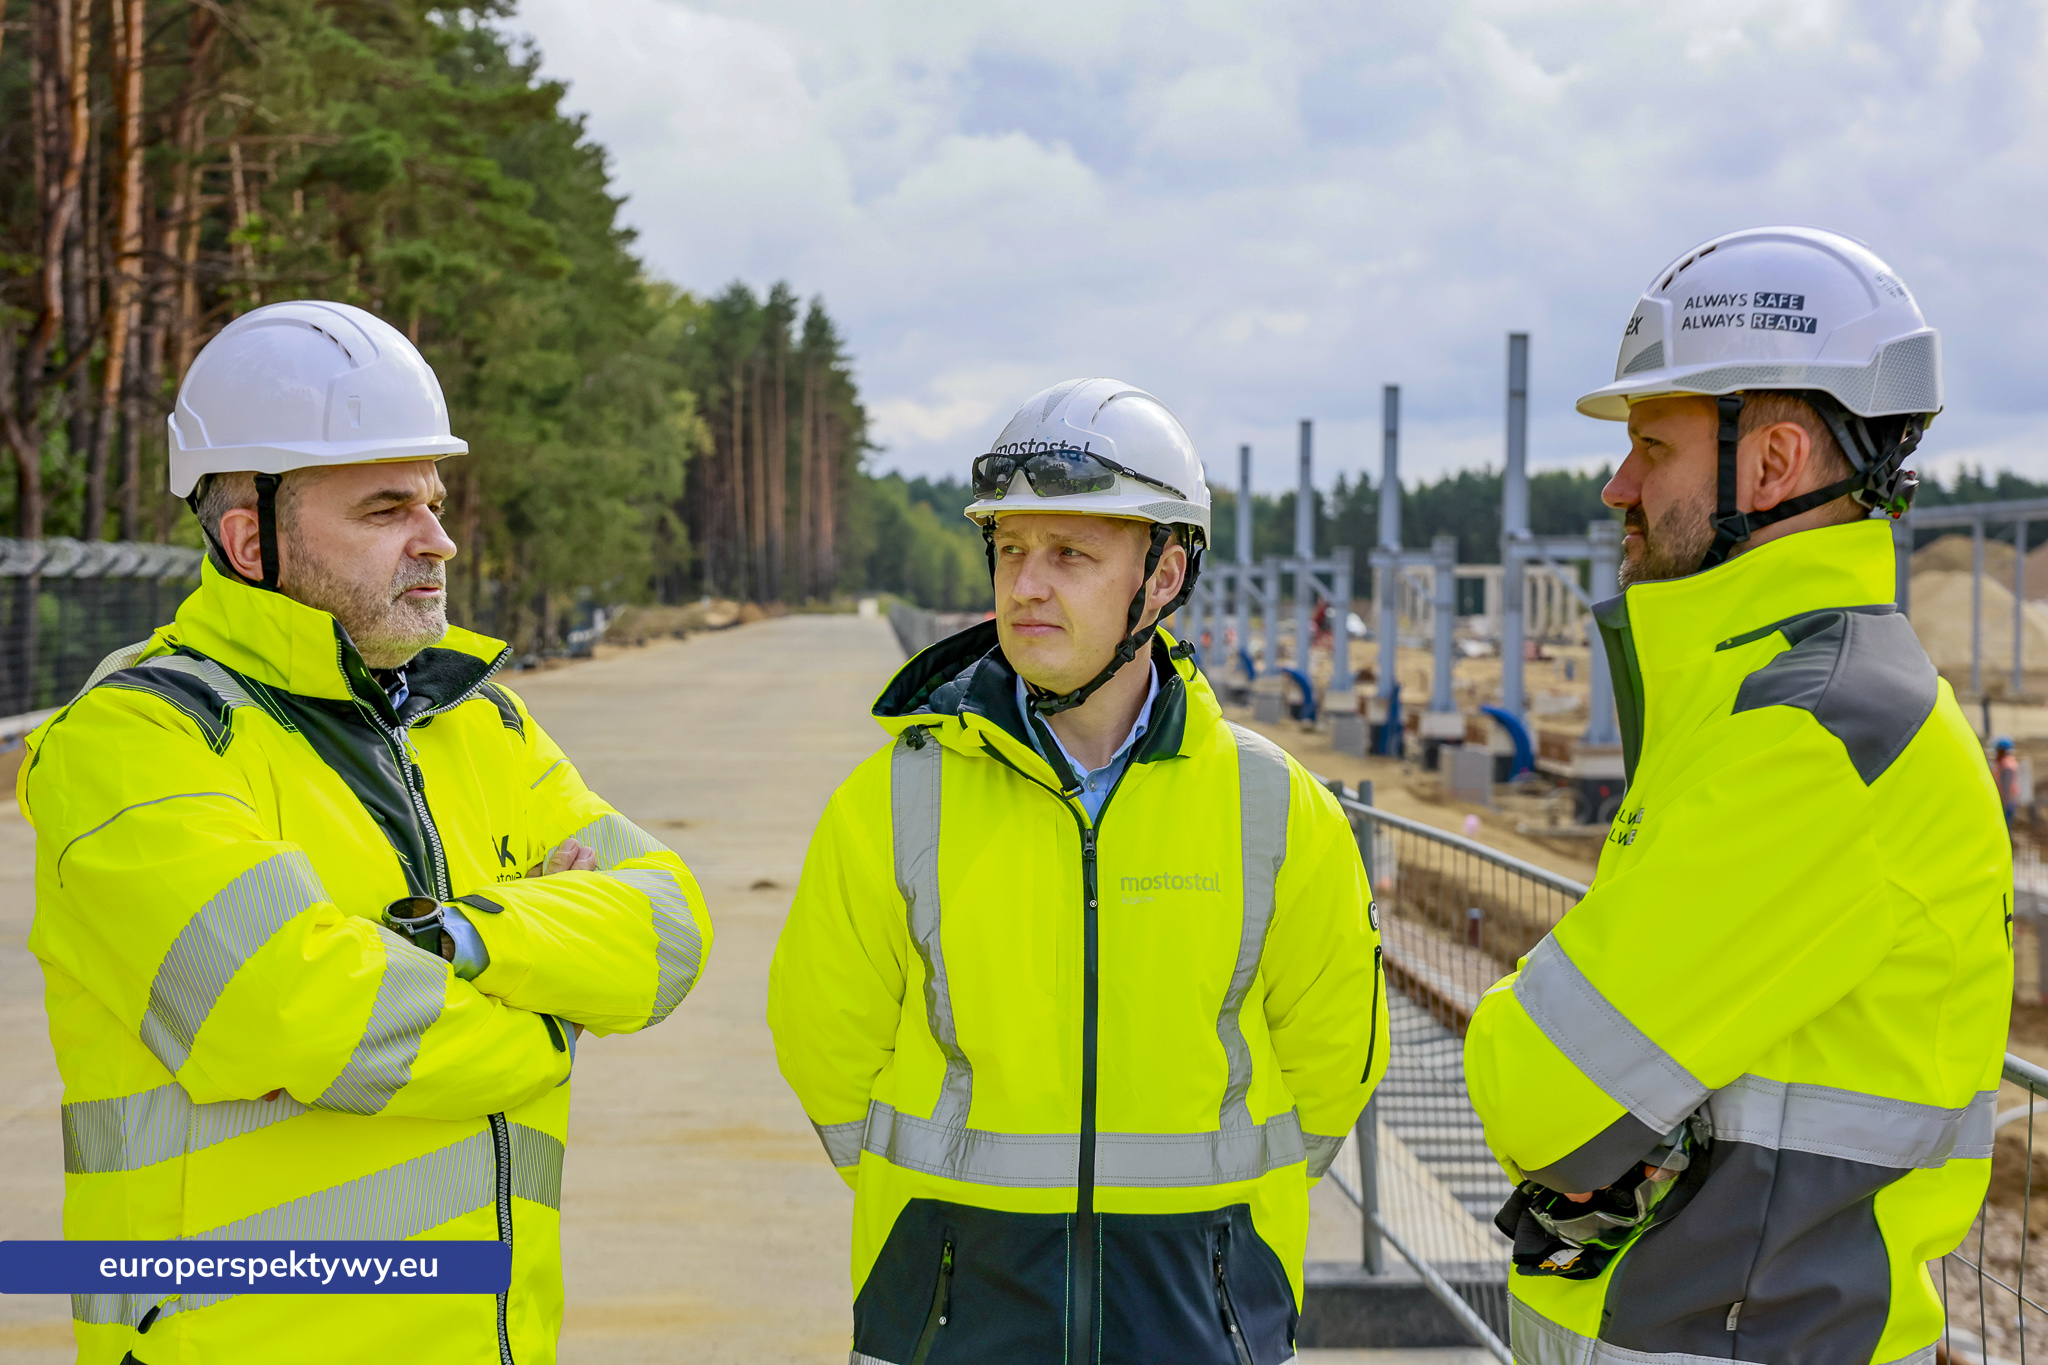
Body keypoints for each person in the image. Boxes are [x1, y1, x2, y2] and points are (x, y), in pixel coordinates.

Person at [23, 300, 713, 1365]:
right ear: (252, 537)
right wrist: (551, 1020)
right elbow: (294, 1011)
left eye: (432, 503)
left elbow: (667, 928)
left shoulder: (476, 720)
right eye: (385, 508)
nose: (436, 539)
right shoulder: (137, 741)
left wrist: (457, 945)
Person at [1463, 227, 2011, 1364]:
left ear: (1765, 468)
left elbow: (1536, 1094)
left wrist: (1524, 1006)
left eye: (1649, 446)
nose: (1616, 484)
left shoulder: (1817, 736)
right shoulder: (1759, 697)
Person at [768, 378, 1386, 1365]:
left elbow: (1334, 1061)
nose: (1023, 586)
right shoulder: (896, 798)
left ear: (1165, 575)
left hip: (1196, 1307)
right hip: (954, 1307)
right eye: (1010, 550)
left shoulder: (1273, 809)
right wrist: (939, 1229)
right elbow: (819, 1037)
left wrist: (1227, 1248)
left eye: (1068, 554)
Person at [1995, 736, 2024, 831]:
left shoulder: (2007, 766)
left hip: (2006, 801)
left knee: (2005, 827)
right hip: (2007, 800)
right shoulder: (2007, 762)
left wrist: (2004, 802)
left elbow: (2006, 786)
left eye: (1999, 749)